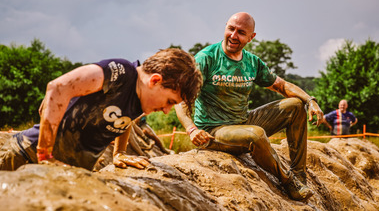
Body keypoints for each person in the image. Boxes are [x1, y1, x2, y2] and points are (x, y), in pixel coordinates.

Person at [175, 12, 324, 201]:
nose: (233, 36)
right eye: (231, 29)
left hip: (242, 121)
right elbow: (181, 99)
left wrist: (310, 100)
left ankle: (299, 175)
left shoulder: (252, 62)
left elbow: (281, 85)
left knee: (296, 105)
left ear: (251, 37)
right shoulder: (206, 58)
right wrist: (191, 129)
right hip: (214, 131)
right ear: (225, 27)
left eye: (241, 32)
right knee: (256, 134)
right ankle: (288, 182)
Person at [0, 48, 202, 171]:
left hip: (71, 169)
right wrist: (45, 156)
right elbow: (58, 87)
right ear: (155, 80)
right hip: (27, 156)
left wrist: (120, 153)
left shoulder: (140, 99)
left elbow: (126, 120)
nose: (167, 111)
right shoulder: (121, 72)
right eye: (169, 101)